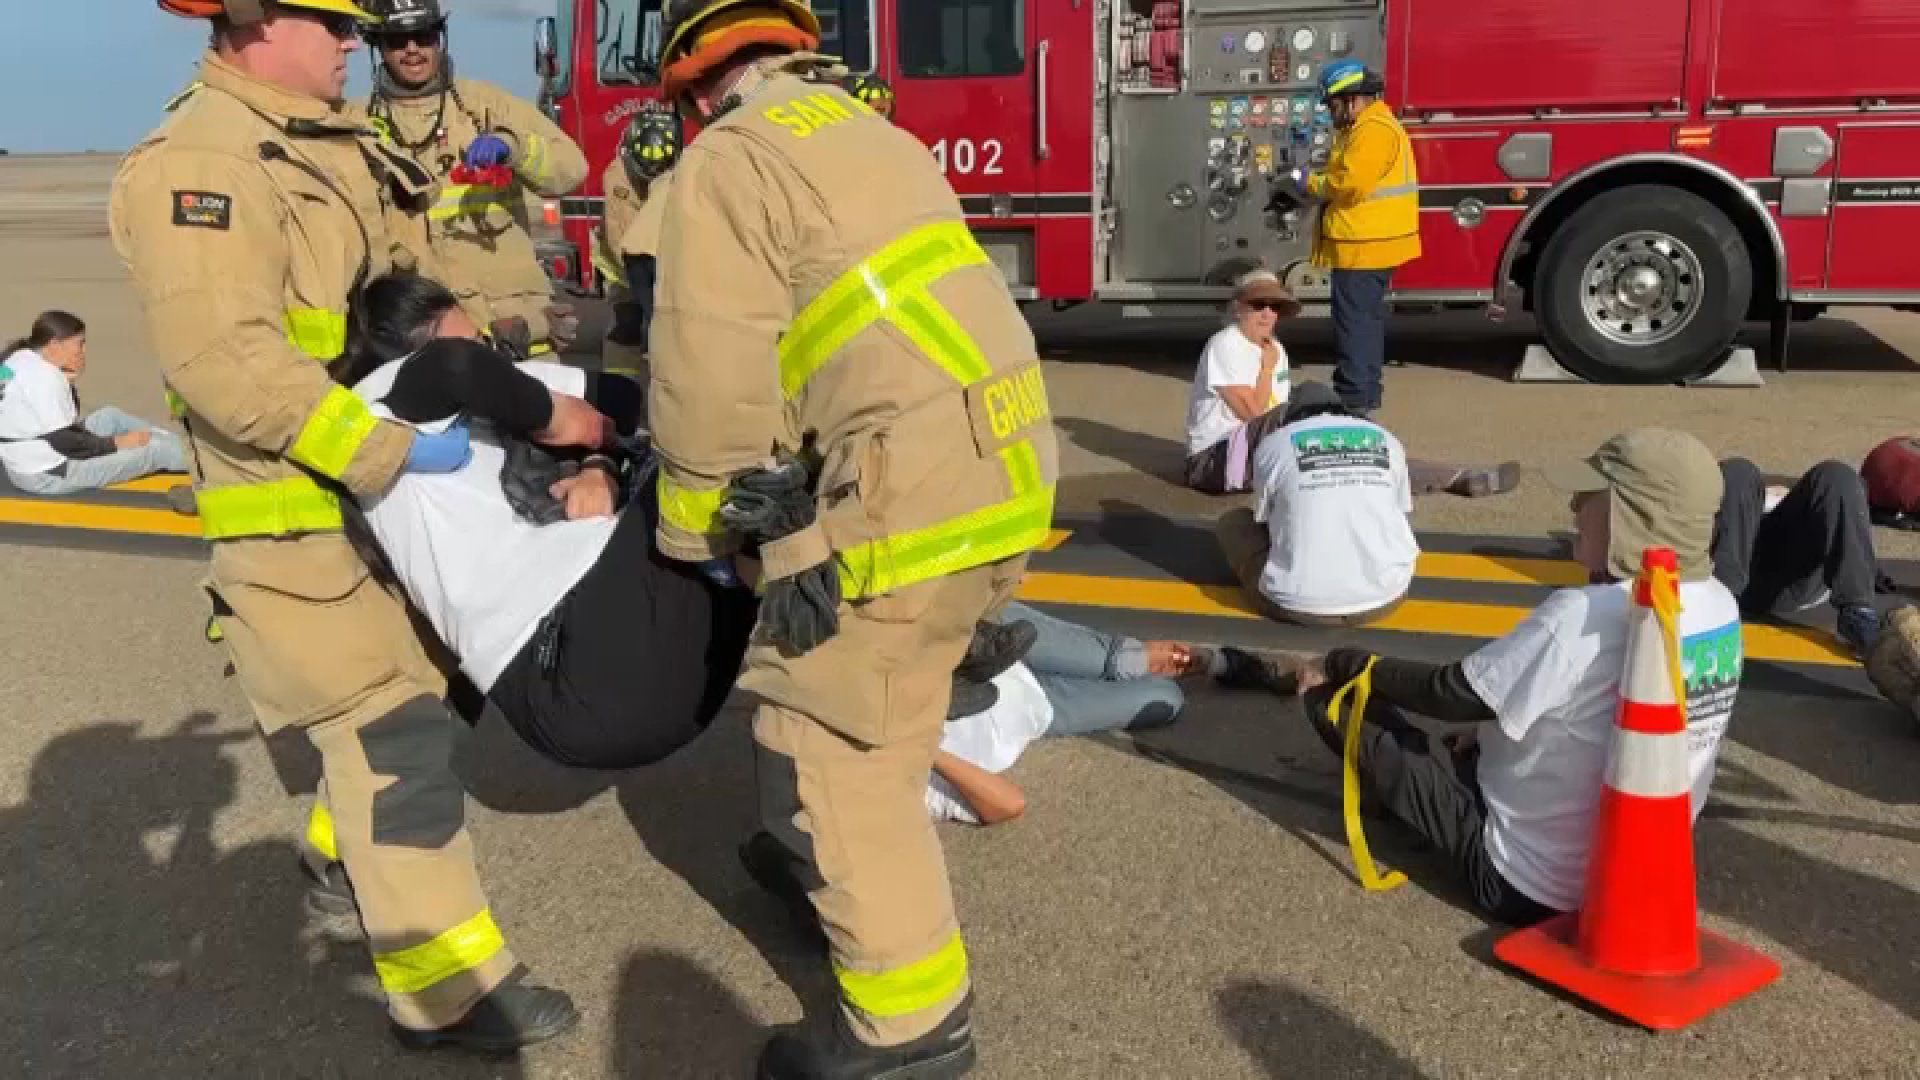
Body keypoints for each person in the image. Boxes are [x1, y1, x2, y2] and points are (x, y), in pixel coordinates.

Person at [110, 0, 602, 1051]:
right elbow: (229, 369)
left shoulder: (317, 143)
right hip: (302, 522)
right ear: (255, 24)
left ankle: (341, 867)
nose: (354, 44)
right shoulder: (207, 166)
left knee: (423, 700)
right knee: (398, 744)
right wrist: (388, 450)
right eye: (333, 24)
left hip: (371, 513)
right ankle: (449, 990)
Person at [647, 1, 1061, 1074]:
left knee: (829, 746)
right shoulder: (873, 132)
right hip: (1007, 460)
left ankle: (909, 1035)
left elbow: (710, 377)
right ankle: (809, 865)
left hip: (904, 489)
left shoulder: (727, 161)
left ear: (696, 88)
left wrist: (692, 542)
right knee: (887, 697)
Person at [1223, 428, 1742, 925]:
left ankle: (1393, 797)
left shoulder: (1584, 613)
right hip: (1632, 883)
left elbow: (1449, 693)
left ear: (1634, 517)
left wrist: (1348, 662)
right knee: (1469, 738)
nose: (1574, 509)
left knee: (1334, 699)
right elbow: (1597, 714)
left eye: (1592, 496)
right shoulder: (1719, 608)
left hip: (1523, 882)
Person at [338, 270, 757, 768]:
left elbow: (622, 400)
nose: (492, 355)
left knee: (746, 473)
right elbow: (458, 367)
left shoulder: (490, 376)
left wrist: (598, 466)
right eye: (476, 342)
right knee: (719, 428)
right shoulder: (375, 406)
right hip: (565, 657)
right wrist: (557, 421)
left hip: (656, 682)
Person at [354, 0, 589, 356]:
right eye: (398, 41)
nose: (413, 50)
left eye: (423, 36)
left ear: (440, 39)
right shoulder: (359, 123)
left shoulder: (486, 104)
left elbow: (571, 169)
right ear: (378, 48)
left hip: (513, 326)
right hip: (420, 331)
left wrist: (514, 149)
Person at [922, 602, 1198, 826]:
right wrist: (923, 749)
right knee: (1165, 699)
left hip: (1003, 647)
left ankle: (1216, 661)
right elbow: (1009, 804)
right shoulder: (908, 785)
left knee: (1125, 661)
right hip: (1043, 707)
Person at [1274, 60, 1420, 415]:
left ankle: (1354, 400)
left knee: (1354, 325)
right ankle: (1363, 394)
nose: (1329, 112)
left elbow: (1350, 184)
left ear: (1352, 99)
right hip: (1369, 242)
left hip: (1365, 245)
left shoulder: (1372, 131)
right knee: (1363, 322)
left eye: (1332, 104)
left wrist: (1304, 182)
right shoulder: (1366, 128)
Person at [1214, 382, 1417, 626]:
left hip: (1296, 606)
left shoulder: (1274, 444)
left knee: (1233, 523)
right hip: (1386, 598)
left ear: (1289, 417)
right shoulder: (1386, 439)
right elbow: (1402, 507)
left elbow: (1263, 518)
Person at [0, 311, 191, 501]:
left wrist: (67, 383)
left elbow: (58, 421)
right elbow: (67, 442)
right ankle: (205, 465)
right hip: (49, 474)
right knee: (153, 451)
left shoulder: (19, 357)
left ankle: (183, 447)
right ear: (55, 345)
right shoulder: (45, 377)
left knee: (110, 416)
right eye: (79, 343)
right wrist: (117, 443)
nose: (83, 351)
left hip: (25, 461)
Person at [1712, 456, 1884, 658]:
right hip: (1734, 565)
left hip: (1791, 577)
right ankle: (1718, 608)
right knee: (1737, 471)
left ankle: (1859, 615)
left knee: (1837, 475)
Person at [1184, 269, 1301, 495]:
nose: (1267, 314)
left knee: (1318, 401)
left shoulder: (1276, 348)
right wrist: (1266, 369)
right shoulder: (1224, 344)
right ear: (1239, 308)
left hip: (1259, 448)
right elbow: (1251, 414)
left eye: (1274, 307)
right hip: (1211, 459)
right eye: (1258, 305)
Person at [595, 101, 680, 380]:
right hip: (624, 268)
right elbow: (622, 239)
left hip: (668, 266)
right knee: (627, 326)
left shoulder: (683, 166)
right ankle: (618, 396)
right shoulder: (618, 175)